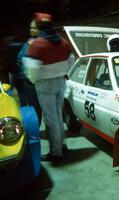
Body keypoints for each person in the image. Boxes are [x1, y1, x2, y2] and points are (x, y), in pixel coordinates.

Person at [23, 12, 72, 162]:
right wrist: (62, 72)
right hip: (60, 82)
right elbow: (72, 61)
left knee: (50, 119)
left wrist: (35, 80)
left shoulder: (37, 44)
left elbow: (32, 71)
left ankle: (56, 153)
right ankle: (62, 145)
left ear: (38, 26)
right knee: (57, 115)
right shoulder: (63, 42)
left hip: (45, 84)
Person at [15, 20, 42, 126]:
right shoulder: (28, 44)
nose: (32, 30)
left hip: (44, 84)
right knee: (36, 111)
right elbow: (20, 60)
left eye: (34, 28)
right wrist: (26, 78)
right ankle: (35, 135)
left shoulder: (41, 43)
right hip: (32, 85)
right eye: (31, 28)